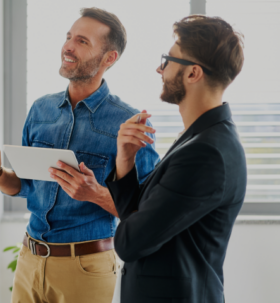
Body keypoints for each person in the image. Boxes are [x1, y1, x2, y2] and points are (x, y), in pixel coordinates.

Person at [0, 7, 159, 303]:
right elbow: (25, 188)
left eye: (82, 41)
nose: (68, 46)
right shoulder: (41, 110)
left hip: (85, 267)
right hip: (30, 258)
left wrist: (95, 194)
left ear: (109, 58)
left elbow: (146, 217)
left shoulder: (130, 125)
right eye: (68, 37)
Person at [105, 15, 246, 302]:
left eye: (168, 60)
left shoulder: (206, 153)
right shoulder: (199, 138)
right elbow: (138, 216)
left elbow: (130, 243)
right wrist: (125, 162)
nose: (160, 68)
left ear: (193, 73)